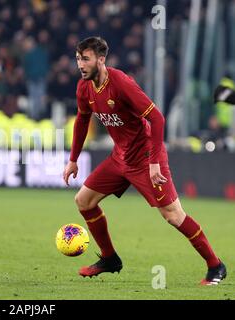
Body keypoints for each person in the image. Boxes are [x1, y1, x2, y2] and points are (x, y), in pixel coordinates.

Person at [62, 37, 226, 286]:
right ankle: (109, 259)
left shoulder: (121, 83)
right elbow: (83, 120)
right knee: (83, 201)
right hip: (120, 157)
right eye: (77, 59)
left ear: (101, 59)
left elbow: (158, 118)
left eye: (85, 58)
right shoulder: (84, 88)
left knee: (173, 215)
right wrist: (73, 159)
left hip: (145, 157)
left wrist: (154, 163)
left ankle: (216, 266)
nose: (80, 64)